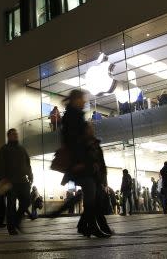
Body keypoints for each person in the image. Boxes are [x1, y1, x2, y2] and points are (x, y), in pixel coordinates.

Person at [61, 89, 110, 238]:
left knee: (92, 196)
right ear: (76, 99)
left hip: (83, 163)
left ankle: (86, 226)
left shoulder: (76, 116)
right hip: (80, 163)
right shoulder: (72, 117)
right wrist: (79, 162)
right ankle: (90, 226)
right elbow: (74, 143)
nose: (84, 101)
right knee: (91, 195)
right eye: (82, 99)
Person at [0, 128, 33, 235]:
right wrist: (3, 178)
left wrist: (30, 175)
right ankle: (11, 227)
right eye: (13, 134)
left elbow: (27, 163)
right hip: (10, 181)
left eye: (16, 134)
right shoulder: (4, 149)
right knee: (11, 205)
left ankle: (16, 220)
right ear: (8, 136)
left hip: (22, 180)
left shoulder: (22, 149)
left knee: (26, 201)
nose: (15, 135)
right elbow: (0, 165)